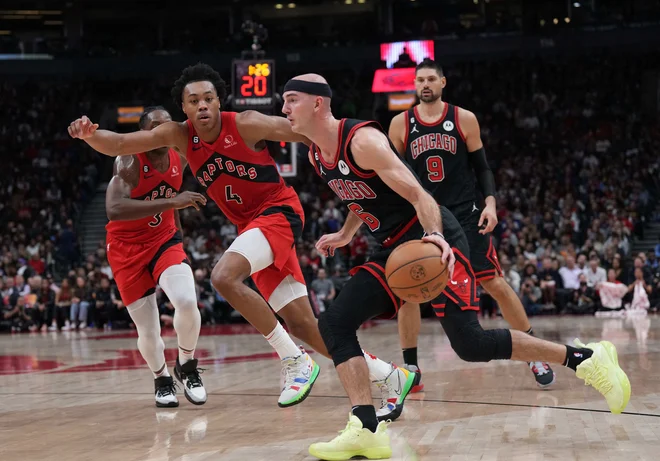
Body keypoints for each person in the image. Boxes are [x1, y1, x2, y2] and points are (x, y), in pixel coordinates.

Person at [281, 74, 631, 460]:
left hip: (435, 239)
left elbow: (417, 192)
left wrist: (435, 236)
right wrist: (347, 234)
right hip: (394, 248)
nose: (284, 109)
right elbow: (359, 196)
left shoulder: (363, 140)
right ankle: (364, 427)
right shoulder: (316, 153)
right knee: (334, 323)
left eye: (291, 100)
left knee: (470, 344)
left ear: (318, 103)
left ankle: (585, 359)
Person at [68, 63, 405, 409]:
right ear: (183, 109)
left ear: (218, 102)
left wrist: (359, 145)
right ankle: (388, 374)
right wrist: (89, 134)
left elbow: (303, 131)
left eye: (208, 98)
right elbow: (121, 142)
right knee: (305, 325)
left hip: (279, 213)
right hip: (251, 230)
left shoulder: (245, 123)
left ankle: (295, 361)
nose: (202, 106)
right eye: (193, 100)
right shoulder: (179, 136)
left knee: (223, 276)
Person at [388, 58, 555, 389]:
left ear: (443, 82)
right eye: (420, 79)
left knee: (494, 283)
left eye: (431, 79)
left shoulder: (463, 119)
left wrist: (491, 203)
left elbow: (483, 168)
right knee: (408, 291)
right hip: (424, 216)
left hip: (465, 214)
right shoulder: (400, 124)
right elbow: (391, 174)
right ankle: (411, 369)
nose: (425, 84)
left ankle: (535, 353)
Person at [101, 106, 207, 407]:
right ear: (144, 133)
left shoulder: (180, 155)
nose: (163, 131)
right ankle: (161, 379)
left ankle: (186, 365)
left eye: (167, 125)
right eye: (156, 126)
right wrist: (174, 201)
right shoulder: (129, 161)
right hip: (126, 248)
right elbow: (115, 209)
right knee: (148, 328)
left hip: (163, 239)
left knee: (186, 300)